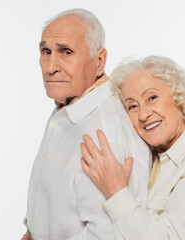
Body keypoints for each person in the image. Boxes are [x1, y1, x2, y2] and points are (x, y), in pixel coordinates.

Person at [81, 55, 185, 239]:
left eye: (152, 97)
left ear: (180, 96)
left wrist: (115, 190)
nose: (144, 114)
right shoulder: (154, 155)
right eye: (132, 106)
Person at [21, 9, 151, 240]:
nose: (50, 67)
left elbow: (107, 235)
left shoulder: (103, 133)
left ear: (99, 61)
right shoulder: (71, 105)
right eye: (46, 51)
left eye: (66, 52)